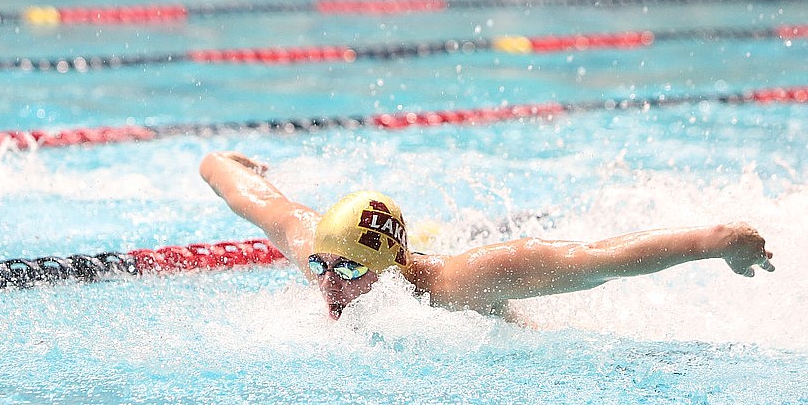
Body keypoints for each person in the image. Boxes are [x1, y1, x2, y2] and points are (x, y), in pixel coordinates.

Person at [199, 151, 774, 321]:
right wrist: (221, 161)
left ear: (392, 264)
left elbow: (599, 259)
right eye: (323, 265)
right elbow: (254, 199)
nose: (329, 282)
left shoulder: (460, 284)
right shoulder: (317, 250)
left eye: (349, 271)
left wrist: (714, 241)